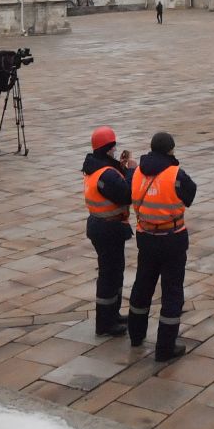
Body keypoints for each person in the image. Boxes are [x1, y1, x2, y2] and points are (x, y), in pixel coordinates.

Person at [127, 132, 196, 362]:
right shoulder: (176, 174)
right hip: (172, 238)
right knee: (172, 291)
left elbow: (129, 190)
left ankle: (136, 335)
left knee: (143, 285)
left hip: (146, 236)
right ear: (170, 151)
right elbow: (190, 195)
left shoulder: (137, 171)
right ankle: (165, 347)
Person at [82, 127, 133, 337]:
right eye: (113, 147)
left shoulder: (95, 166)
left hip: (102, 226)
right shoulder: (106, 174)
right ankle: (105, 323)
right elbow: (126, 195)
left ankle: (112, 314)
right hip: (108, 228)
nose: (115, 150)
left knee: (115, 271)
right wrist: (130, 171)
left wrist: (120, 167)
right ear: (107, 149)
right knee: (109, 275)